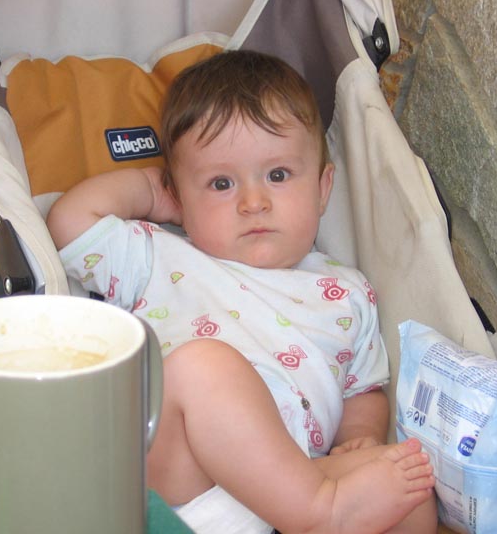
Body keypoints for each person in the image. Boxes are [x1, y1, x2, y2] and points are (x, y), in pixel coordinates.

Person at [47, 50, 437, 533]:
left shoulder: (347, 292)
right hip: (182, 489)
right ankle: (321, 513)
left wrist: (359, 438)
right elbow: (70, 222)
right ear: (180, 196)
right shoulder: (157, 256)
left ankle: (317, 508)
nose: (254, 202)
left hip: (294, 481)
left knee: (409, 485)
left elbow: (364, 388)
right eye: (221, 183)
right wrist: (151, 191)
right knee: (200, 368)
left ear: (322, 188)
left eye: (277, 175)